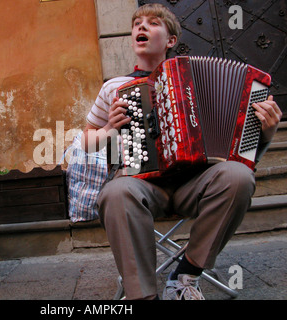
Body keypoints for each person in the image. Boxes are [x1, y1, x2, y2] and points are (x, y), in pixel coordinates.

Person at [82, 3, 282, 300]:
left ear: (171, 40)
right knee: (114, 192)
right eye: (137, 23)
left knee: (239, 176)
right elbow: (86, 141)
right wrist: (110, 130)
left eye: (152, 23)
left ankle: (185, 275)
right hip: (142, 186)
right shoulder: (115, 87)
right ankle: (141, 295)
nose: (141, 27)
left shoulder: (193, 76)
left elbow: (243, 144)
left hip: (195, 184)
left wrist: (266, 130)